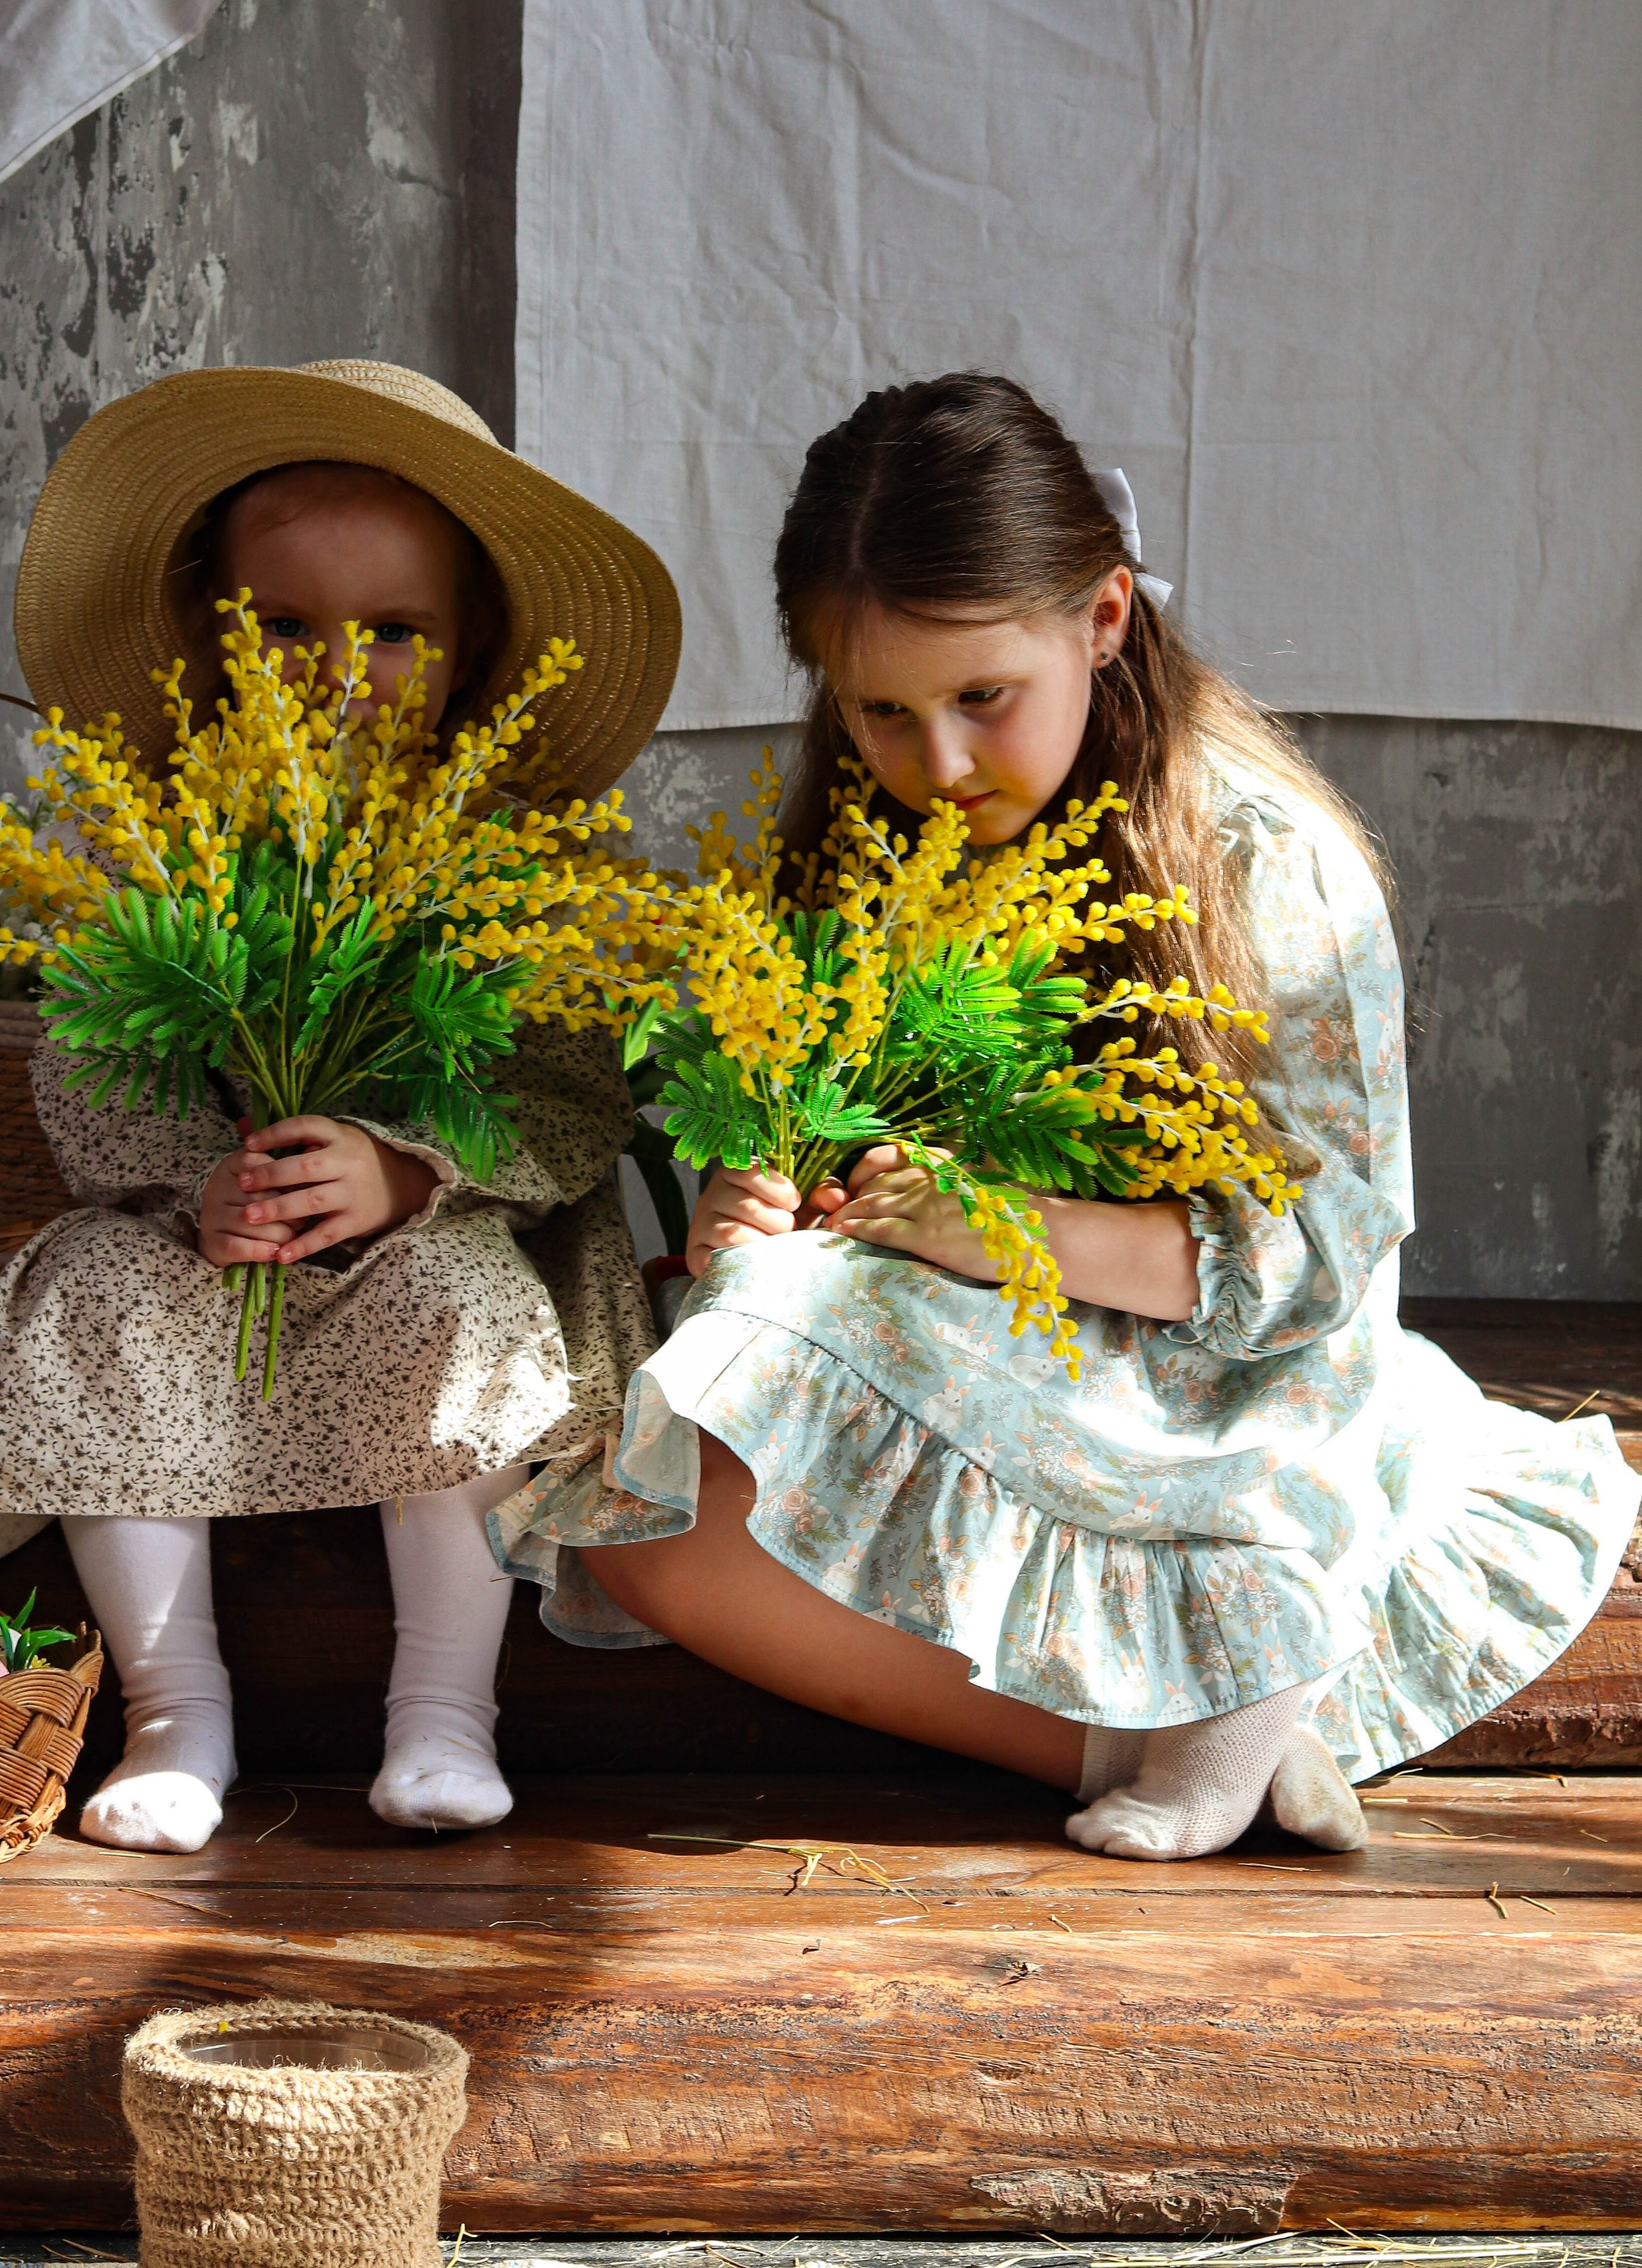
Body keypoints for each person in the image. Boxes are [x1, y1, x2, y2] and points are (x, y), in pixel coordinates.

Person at [491, 372, 1640, 1862]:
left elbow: (1318, 1259)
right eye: (882, 710)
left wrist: (1000, 1232)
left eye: (985, 699)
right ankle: (1169, 1724)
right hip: (968, 1317)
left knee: (760, 1389)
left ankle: (1236, 1655)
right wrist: (749, 1192)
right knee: (635, 1523)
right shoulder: (869, 829)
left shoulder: (1257, 858)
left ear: (1102, 619)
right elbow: (795, 1094)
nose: (941, 764)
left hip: (1219, 1360)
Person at [0, 358, 678, 1855]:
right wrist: (193, 1181)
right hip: (218, 1252)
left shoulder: (520, 862)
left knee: (467, 1309)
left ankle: (446, 1713)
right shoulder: (153, 839)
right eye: (280, 631)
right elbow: (91, 1052)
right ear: (210, 647)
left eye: (394, 633)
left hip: (422, 1252)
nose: (338, 676)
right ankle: (174, 1708)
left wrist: (410, 1171)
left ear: (470, 661)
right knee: (81, 1301)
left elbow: (574, 1096)